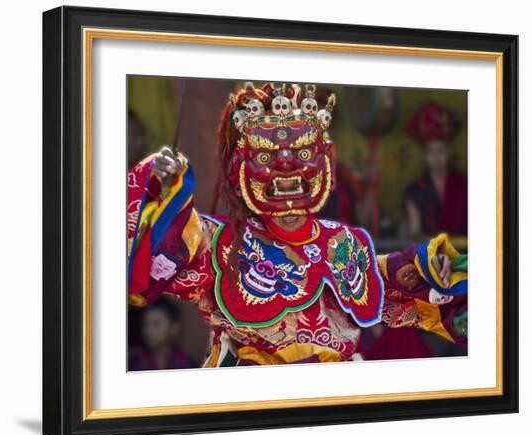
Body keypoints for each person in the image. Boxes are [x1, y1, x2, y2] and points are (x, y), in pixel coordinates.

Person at [127, 82, 467, 367]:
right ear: (240, 171)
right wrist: (158, 186)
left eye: (303, 155)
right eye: (265, 158)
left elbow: (387, 290)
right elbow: (155, 250)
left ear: (326, 161)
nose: (286, 169)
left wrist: (432, 271)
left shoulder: (343, 242)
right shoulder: (223, 244)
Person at [404, 101, 467, 238]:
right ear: (423, 155)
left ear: (449, 152)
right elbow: (415, 233)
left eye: (441, 151)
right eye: (430, 152)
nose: (436, 157)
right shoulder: (414, 192)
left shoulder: (465, 185)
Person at [129, 296, 196, 370]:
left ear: (173, 328)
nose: (148, 331)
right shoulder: (134, 363)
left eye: (156, 324)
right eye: (145, 324)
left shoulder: (187, 365)